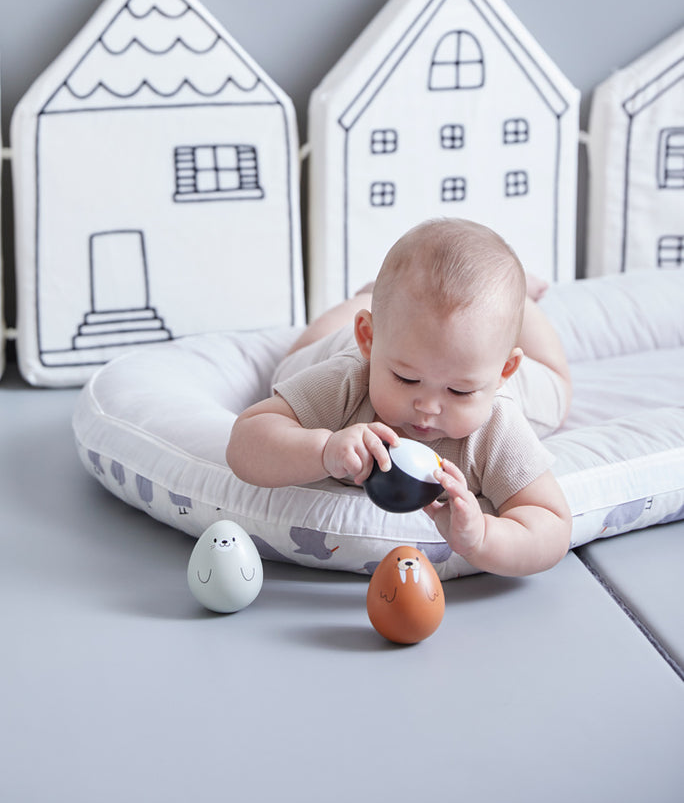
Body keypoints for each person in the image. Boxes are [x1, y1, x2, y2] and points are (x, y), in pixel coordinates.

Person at [226, 218, 573, 577]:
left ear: (503, 372)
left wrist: (485, 536)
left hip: (464, 353)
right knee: (290, 366)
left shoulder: (496, 425)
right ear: (369, 339)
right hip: (338, 346)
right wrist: (324, 450)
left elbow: (551, 522)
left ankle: (524, 305)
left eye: (460, 391)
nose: (428, 407)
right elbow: (245, 442)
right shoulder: (349, 379)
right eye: (406, 379)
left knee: (558, 389)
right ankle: (369, 295)